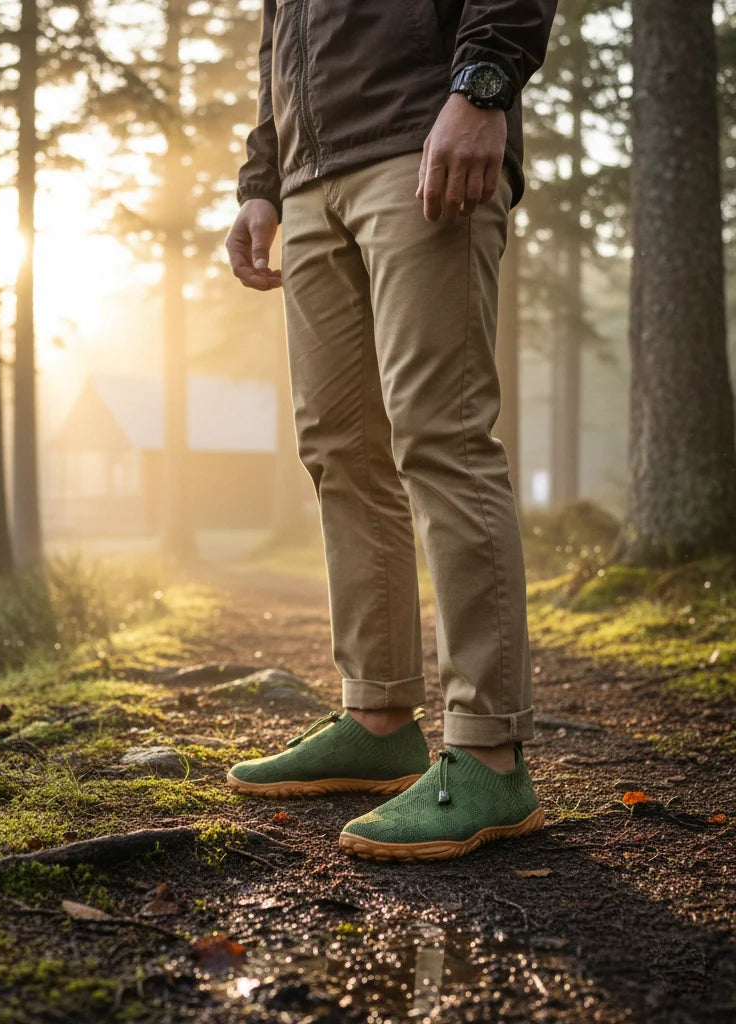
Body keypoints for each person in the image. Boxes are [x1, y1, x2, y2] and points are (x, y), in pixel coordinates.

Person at [224, 0, 558, 862]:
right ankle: (376, 715)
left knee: (440, 438)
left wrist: (482, 89)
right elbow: (280, 34)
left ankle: (488, 750)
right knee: (339, 448)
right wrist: (264, 177)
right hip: (309, 176)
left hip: (421, 132)